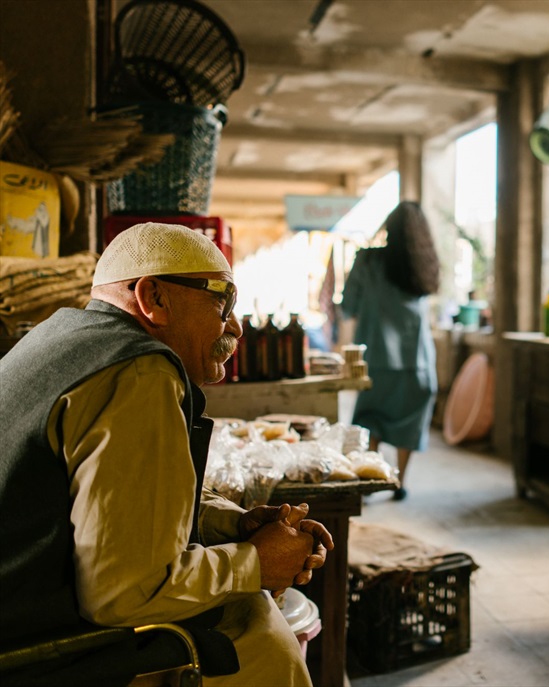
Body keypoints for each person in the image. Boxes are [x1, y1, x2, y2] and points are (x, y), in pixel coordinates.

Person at [0, 222, 333, 687]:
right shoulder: (139, 374)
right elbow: (122, 594)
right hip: (36, 653)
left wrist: (233, 524)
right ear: (153, 297)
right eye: (222, 300)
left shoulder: (56, 336)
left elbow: (110, 503)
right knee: (258, 631)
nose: (234, 325)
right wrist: (256, 563)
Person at [341, 201, 439, 500]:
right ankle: (399, 480)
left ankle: (372, 480)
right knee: (410, 422)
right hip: (417, 361)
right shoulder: (424, 264)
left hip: (378, 359)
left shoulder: (368, 261)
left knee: (371, 419)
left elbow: (349, 306)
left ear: (389, 228)